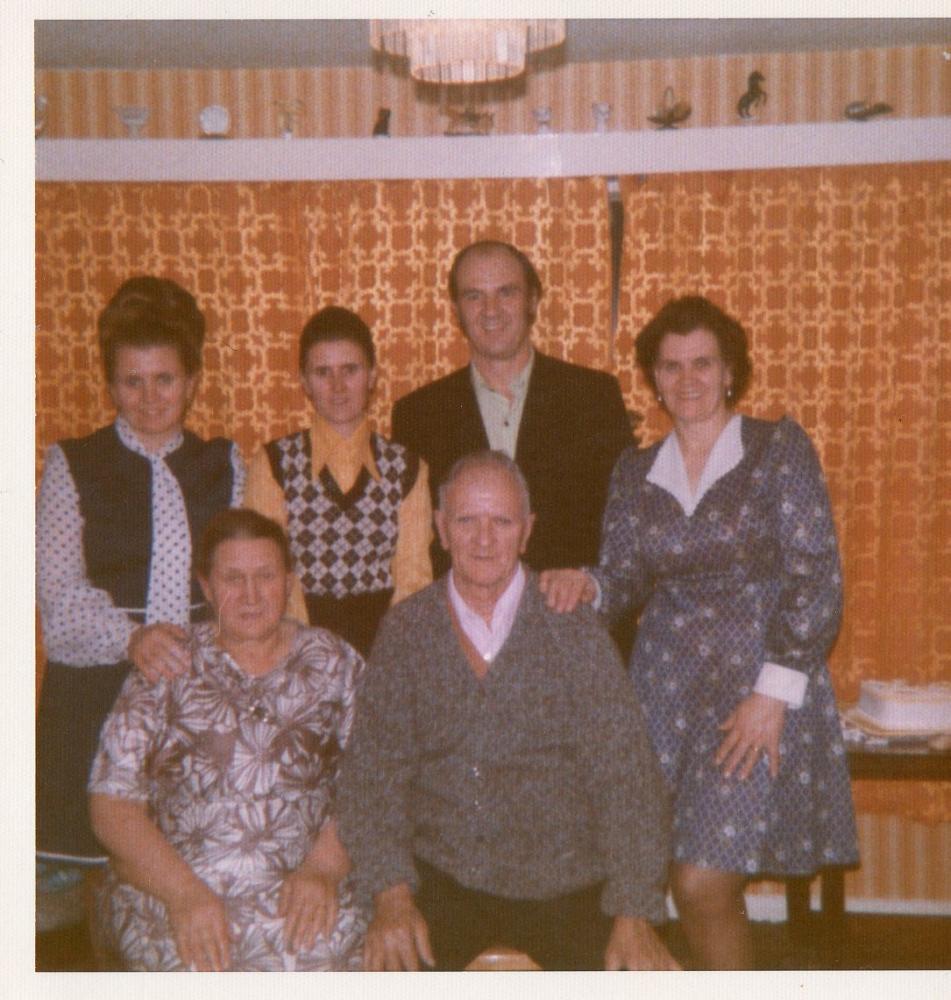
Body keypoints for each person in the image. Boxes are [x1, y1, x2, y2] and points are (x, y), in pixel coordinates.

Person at [541, 295, 859, 969]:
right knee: (630, 861)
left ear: (729, 372)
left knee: (701, 881)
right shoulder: (634, 471)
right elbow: (624, 575)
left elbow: (816, 577)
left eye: (702, 364)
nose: (687, 379)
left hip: (756, 685)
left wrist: (772, 693)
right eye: (670, 366)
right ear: (653, 378)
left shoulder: (776, 450)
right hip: (662, 688)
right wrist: (588, 584)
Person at [336, 451, 677, 972]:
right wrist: (391, 895)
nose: (484, 538)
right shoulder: (406, 632)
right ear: (441, 528)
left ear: (527, 530)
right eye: (467, 520)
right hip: (441, 881)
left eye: (502, 521)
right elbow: (372, 777)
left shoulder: (574, 628)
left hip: (565, 883)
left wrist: (634, 912)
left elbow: (626, 775)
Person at [88, 509, 365, 971]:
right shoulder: (167, 664)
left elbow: (376, 777)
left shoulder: (336, 663)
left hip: (307, 886)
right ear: (206, 586)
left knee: (328, 960)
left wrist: (326, 867)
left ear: (290, 582)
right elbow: (111, 806)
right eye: (233, 578)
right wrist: (185, 896)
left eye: (266, 576)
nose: (251, 596)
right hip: (176, 889)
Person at [36, 275, 245, 868]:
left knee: (190, 873)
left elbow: (241, 581)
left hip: (195, 696)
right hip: (95, 693)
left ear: (193, 383)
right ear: (110, 384)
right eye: (132, 381)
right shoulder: (72, 463)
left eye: (165, 380)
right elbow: (58, 595)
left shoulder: (224, 464)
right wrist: (135, 639)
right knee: (89, 883)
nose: (150, 398)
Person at [391, 240, 633, 577]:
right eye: (474, 296)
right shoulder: (419, 414)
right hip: (462, 622)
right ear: (456, 309)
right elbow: (416, 547)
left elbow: (626, 529)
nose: (491, 310)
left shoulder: (592, 398)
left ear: (532, 300)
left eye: (506, 292)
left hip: (567, 618)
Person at [245, 306, 432, 656]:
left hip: (385, 645)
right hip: (295, 646)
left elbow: (413, 579)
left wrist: (388, 653)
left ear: (372, 375)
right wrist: (307, 652)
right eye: (323, 372)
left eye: (350, 370)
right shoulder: (274, 465)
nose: (338, 387)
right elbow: (269, 570)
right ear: (304, 381)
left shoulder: (406, 468)